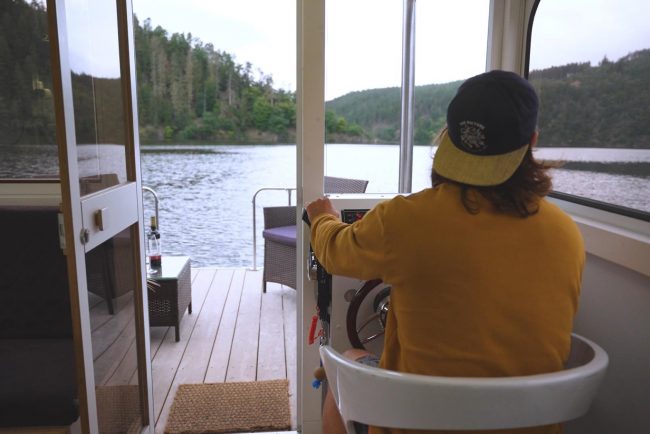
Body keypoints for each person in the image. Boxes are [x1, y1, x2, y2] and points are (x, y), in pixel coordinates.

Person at [305, 70, 585, 434]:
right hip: (525, 424)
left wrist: (322, 218)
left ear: (450, 140)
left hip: (418, 423)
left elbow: (335, 252)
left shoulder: (406, 220)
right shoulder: (567, 233)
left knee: (343, 367)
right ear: (531, 141)